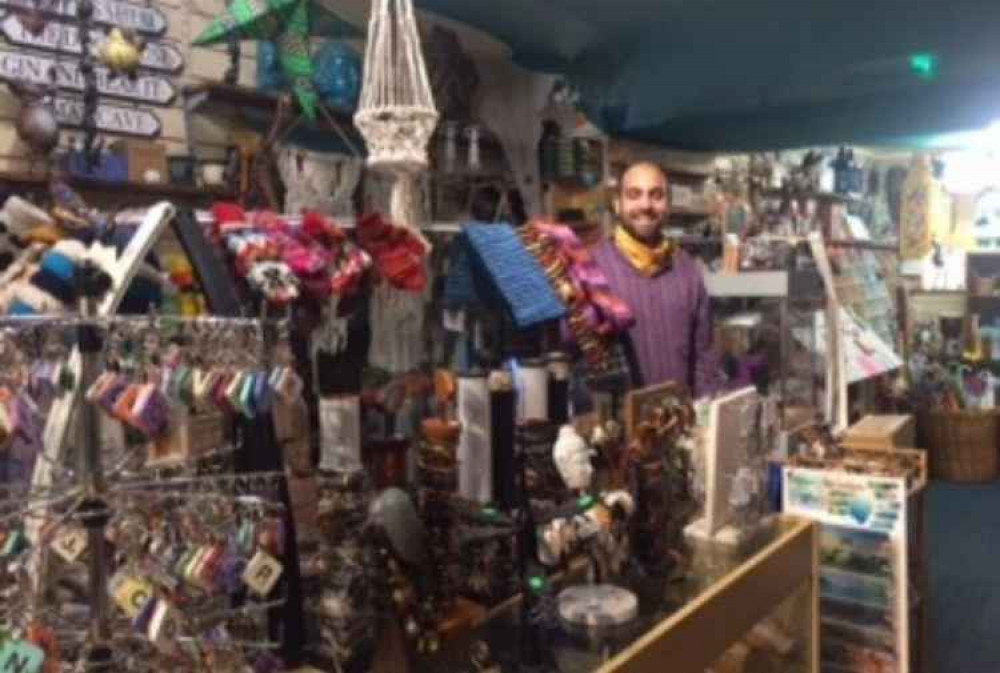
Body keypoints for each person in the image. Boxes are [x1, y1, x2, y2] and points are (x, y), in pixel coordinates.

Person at [590, 161, 720, 396]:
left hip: (679, 424)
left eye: (656, 195)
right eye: (634, 194)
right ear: (617, 204)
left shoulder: (687, 270)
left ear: (667, 205)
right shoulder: (593, 270)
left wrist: (705, 416)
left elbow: (704, 358)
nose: (646, 204)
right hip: (617, 428)